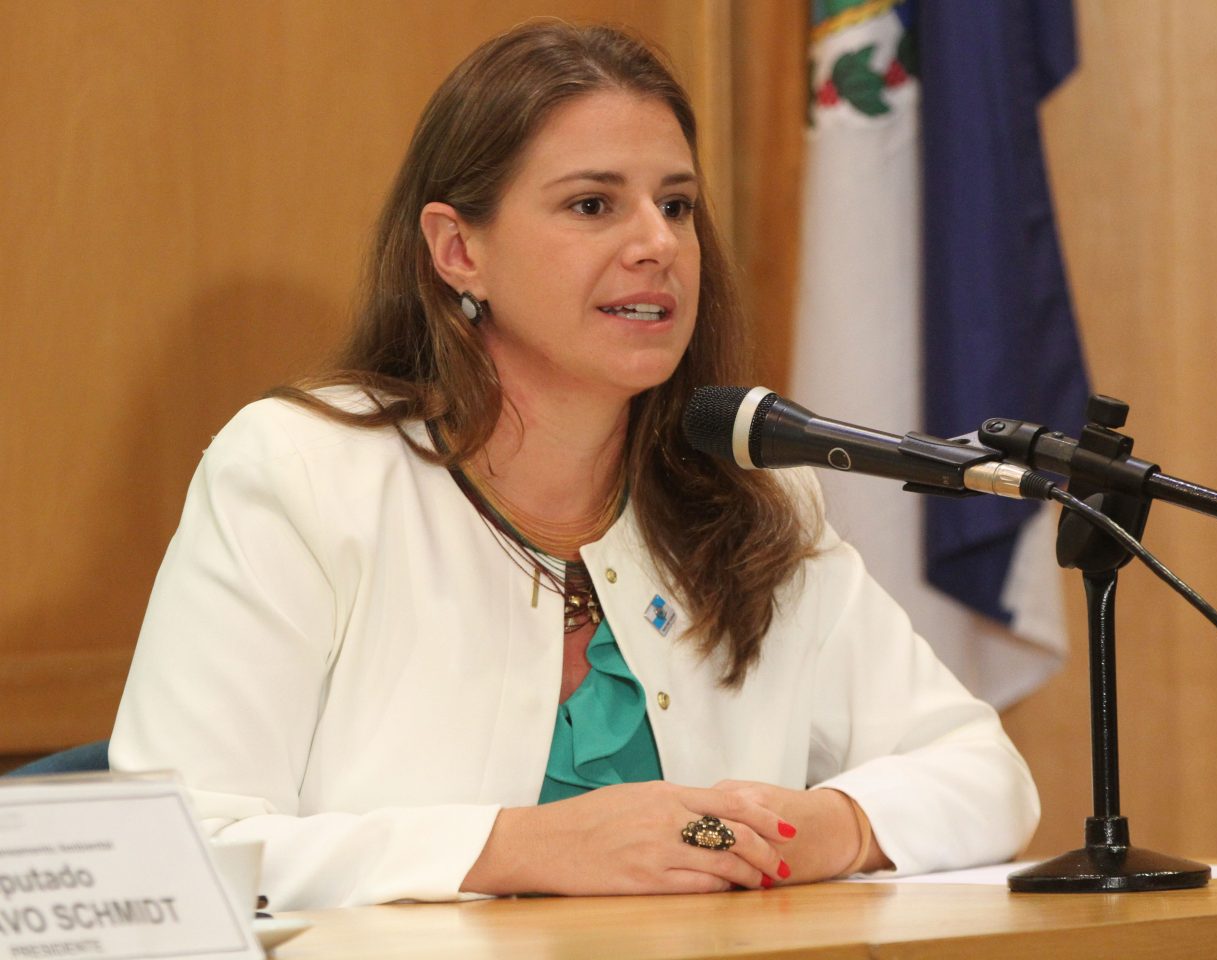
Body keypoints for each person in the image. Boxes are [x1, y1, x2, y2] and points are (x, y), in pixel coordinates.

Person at [110, 20, 1040, 910]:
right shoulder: (301, 474)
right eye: (593, 205)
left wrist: (820, 829)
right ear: (458, 250)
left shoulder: (753, 494)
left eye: (675, 205)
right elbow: (177, 849)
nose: (659, 245)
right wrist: (521, 847)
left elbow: (982, 774)